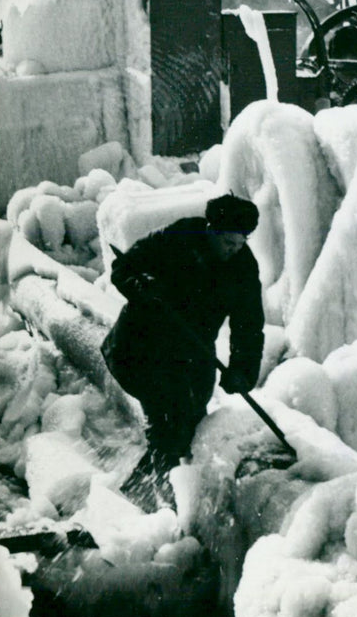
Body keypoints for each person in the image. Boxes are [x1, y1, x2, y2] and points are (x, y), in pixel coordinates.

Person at [102, 194, 264, 501]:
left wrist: (242, 369)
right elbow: (125, 266)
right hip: (143, 345)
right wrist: (140, 286)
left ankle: (141, 491)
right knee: (167, 421)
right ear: (211, 230)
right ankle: (163, 499)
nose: (235, 250)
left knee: (192, 425)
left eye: (241, 243)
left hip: (194, 352)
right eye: (229, 243)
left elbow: (249, 325)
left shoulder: (243, 265)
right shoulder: (178, 237)